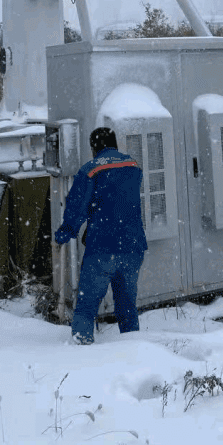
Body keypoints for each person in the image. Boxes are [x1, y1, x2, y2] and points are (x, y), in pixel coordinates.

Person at [54, 126, 148, 344]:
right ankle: (135, 350)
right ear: (114, 143)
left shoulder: (90, 170)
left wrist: (65, 233)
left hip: (102, 249)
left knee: (87, 307)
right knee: (127, 308)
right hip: (133, 248)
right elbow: (120, 201)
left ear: (94, 147)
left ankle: (82, 347)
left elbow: (77, 208)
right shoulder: (133, 165)